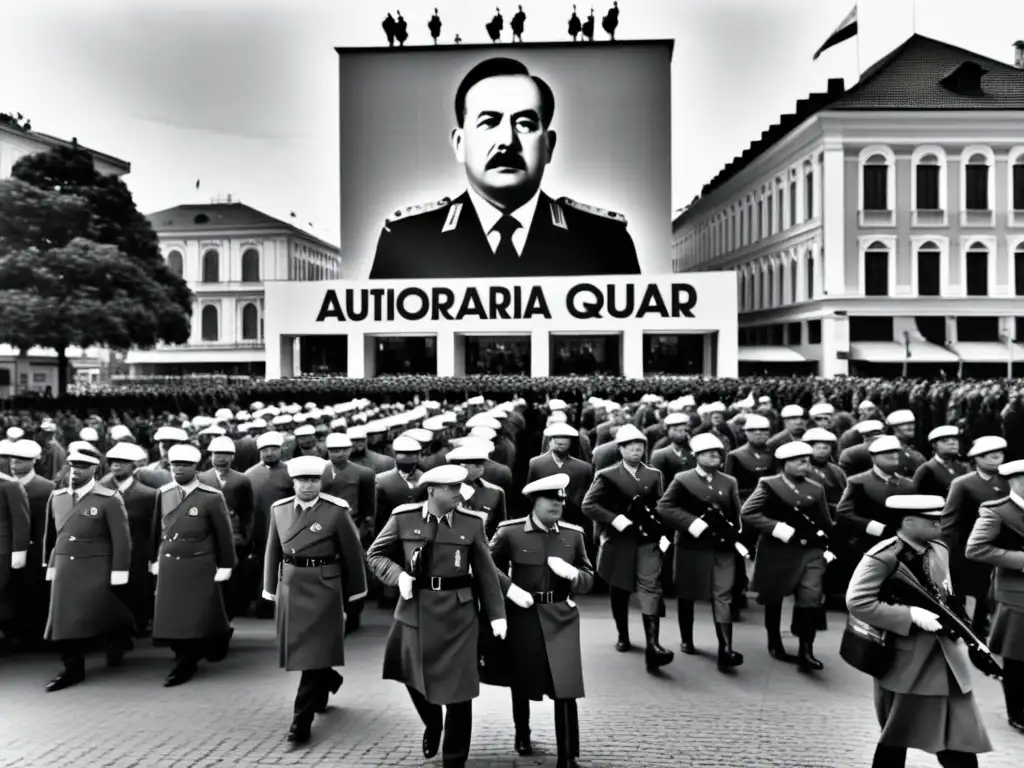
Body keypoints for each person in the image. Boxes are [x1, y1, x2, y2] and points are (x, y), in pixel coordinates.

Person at [368, 56, 640, 279]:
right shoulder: (407, 241)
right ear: (460, 144)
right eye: (488, 122)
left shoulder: (605, 242)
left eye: (525, 124)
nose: (507, 141)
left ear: (549, 146)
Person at [366, 464, 507, 768]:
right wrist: (398, 575)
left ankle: (454, 760)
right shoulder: (404, 517)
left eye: (460, 486)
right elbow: (375, 554)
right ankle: (433, 722)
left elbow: (486, 571)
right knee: (411, 675)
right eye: (452, 488)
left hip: (459, 614)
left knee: (460, 691)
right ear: (432, 490)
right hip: (415, 609)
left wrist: (497, 615)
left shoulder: (471, 523)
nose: (459, 492)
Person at [847, 495, 993, 767]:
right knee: (896, 735)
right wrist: (910, 614)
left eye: (939, 518)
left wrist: (966, 630)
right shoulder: (884, 556)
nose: (939, 524)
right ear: (908, 522)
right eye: (931, 520)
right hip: (906, 662)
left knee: (957, 736)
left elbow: (946, 594)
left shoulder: (939, 549)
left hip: (945, 659)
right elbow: (858, 602)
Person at [488, 473, 593, 767]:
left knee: (566, 686)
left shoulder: (574, 534)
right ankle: (523, 732)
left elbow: (589, 578)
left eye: (561, 499)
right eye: (551, 499)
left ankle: (568, 755)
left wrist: (573, 575)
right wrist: (510, 589)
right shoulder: (510, 532)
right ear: (535, 501)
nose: (558, 504)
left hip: (561, 615)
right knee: (522, 678)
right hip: (524, 615)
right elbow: (486, 567)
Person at [262, 455, 367, 744]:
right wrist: (270, 587)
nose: (308, 485)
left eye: (313, 480)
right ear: (292, 482)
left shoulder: (335, 511)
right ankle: (329, 678)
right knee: (304, 651)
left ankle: (301, 722)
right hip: (292, 585)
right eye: (302, 480)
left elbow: (352, 554)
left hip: (324, 587)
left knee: (311, 655)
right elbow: (273, 549)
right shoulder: (279, 509)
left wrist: (355, 595)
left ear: (321, 482)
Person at [581, 424, 673, 672]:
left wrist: (661, 531)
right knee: (619, 586)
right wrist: (614, 519)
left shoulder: (654, 474)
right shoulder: (607, 475)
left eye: (640, 446)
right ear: (620, 449)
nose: (636, 450)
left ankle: (653, 644)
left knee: (650, 586)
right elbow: (588, 505)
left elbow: (660, 506)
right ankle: (623, 634)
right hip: (618, 538)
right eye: (630, 446)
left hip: (645, 539)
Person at [41, 449, 133, 691]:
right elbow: (52, 537)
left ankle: (120, 640)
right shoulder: (58, 497)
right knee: (64, 620)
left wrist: (119, 571)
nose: (76, 471)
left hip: (95, 567)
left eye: (82, 466)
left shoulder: (108, 498)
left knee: (103, 612)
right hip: (64, 566)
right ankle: (73, 667)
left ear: (94, 469)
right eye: (72, 465)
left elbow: (121, 539)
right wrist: (49, 564)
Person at [741, 441, 833, 671]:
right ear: (784, 464)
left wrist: (828, 544)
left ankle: (806, 649)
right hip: (777, 549)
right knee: (774, 595)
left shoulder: (816, 488)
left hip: (809, 550)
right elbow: (749, 512)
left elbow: (824, 520)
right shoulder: (769, 485)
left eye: (808, 461)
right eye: (800, 461)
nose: (806, 465)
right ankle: (775, 641)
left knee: (811, 595)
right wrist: (775, 527)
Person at [150, 443, 237, 686]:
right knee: (173, 614)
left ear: (196, 467)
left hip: (199, 561)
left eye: (185, 465)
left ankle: (188, 659)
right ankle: (182, 654)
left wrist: (226, 565)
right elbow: (156, 529)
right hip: (170, 561)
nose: (178, 469)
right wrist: (152, 559)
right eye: (174, 464)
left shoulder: (211, 496)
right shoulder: (163, 493)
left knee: (198, 613)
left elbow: (224, 535)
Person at [656, 433, 744, 669]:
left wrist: (736, 535)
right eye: (707, 453)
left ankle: (725, 649)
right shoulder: (683, 479)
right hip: (691, 546)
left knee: (722, 595)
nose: (714, 456)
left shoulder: (729, 481)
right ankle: (687, 638)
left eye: (717, 452)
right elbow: (664, 507)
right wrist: (693, 523)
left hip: (721, 548)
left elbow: (736, 514)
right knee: (688, 592)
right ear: (695, 457)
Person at [964, 458, 1024, 735]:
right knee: (1016, 656)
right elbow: (976, 549)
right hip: (1015, 593)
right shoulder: (997, 511)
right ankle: (1018, 712)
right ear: (1015, 481)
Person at [942, 435, 1009, 651]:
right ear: (977, 458)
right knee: (974, 589)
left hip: (1004, 547)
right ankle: (970, 630)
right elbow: (949, 520)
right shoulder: (962, 484)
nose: (996, 458)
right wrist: (947, 550)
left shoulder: (1010, 480)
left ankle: (987, 629)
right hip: (970, 547)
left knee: (995, 591)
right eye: (989, 455)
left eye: (999, 453)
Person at [102, 441, 158, 637]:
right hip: (106, 552)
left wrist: (154, 557)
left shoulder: (148, 495)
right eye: (113, 461)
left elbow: (154, 529)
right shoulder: (98, 490)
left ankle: (138, 624)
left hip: (138, 553)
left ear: (135, 466)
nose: (116, 465)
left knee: (137, 590)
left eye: (123, 462)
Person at [198, 435, 255, 622]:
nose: (221, 459)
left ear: (233, 457)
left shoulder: (242, 480)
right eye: (217, 454)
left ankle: (226, 616)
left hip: (233, 536)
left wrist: (246, 538)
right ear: (210, 456)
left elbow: (248, 512)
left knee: (231, 580)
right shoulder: (201, 478)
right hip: (207, 537)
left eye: (226, 455)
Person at [913, 426, 969, 497]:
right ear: (934, 445)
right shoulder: (926, 469)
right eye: (945, 440)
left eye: (955, 439)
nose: (952, 443)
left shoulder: (962, 467)